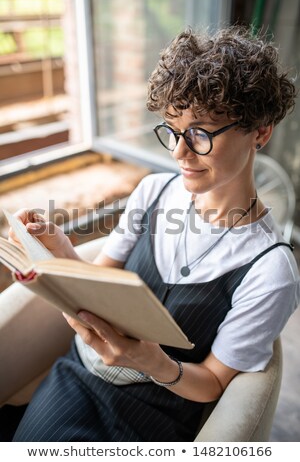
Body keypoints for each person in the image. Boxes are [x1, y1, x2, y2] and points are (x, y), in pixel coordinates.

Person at [9, 26, 300, 442]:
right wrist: (58, 249)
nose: (179, 152)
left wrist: (153, 362)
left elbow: (214, 383)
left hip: (152, 418)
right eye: (172, 129)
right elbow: (99, 287)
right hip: (77, 377)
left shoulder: (270, 271)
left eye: (200, 133)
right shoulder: (153, 192)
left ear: (260, 131)